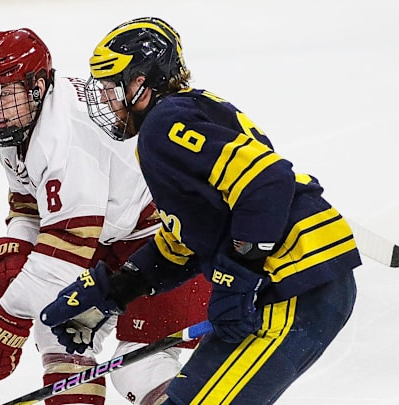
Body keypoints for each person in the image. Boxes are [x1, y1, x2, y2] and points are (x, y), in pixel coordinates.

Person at [40, 17, 361, 404]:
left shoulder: (165, 124)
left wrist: (237, 276)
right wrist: (118, 288)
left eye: (112, 84)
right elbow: (187, 237)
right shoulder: (188, 111)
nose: (104, 98)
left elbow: (267, 182)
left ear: (142, 81)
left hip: (296, 283)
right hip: (298, 282)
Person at [0, 28, 210, 405]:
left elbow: (64, 257)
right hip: (107, 233)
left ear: (38, 86)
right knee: (58, 325)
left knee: (136, 366)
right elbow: (28, 203)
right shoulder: (19, 124)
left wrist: (5, 317)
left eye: (6, 93)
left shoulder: (64, 137)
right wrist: (15, 266)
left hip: (164, 240)